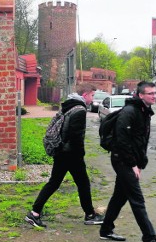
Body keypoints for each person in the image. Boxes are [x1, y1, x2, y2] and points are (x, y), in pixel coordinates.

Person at [98, 81, 156, 242]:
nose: (154, 96)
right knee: (137, 200)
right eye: (150, 93)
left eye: (155, 93)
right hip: (121, 160)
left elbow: (140, 141)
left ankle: (106, 229)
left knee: (119, 196)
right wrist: (132, 164)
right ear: (140, 95)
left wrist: (139, 163)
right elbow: (122, 141)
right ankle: (149, 239)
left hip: (129, 160)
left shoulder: (144, 111)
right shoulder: (130, 112)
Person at [25, 83, 105, 228]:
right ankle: (90, 215)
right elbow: (75, 137)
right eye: (92, 95)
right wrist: (80, 155)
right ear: (85, 94)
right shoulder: (79, 110)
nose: (93, 98)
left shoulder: (69, 105)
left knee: (55, 183)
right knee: (82, 184)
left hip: (61, 152)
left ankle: (35, 213)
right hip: (71, 155)